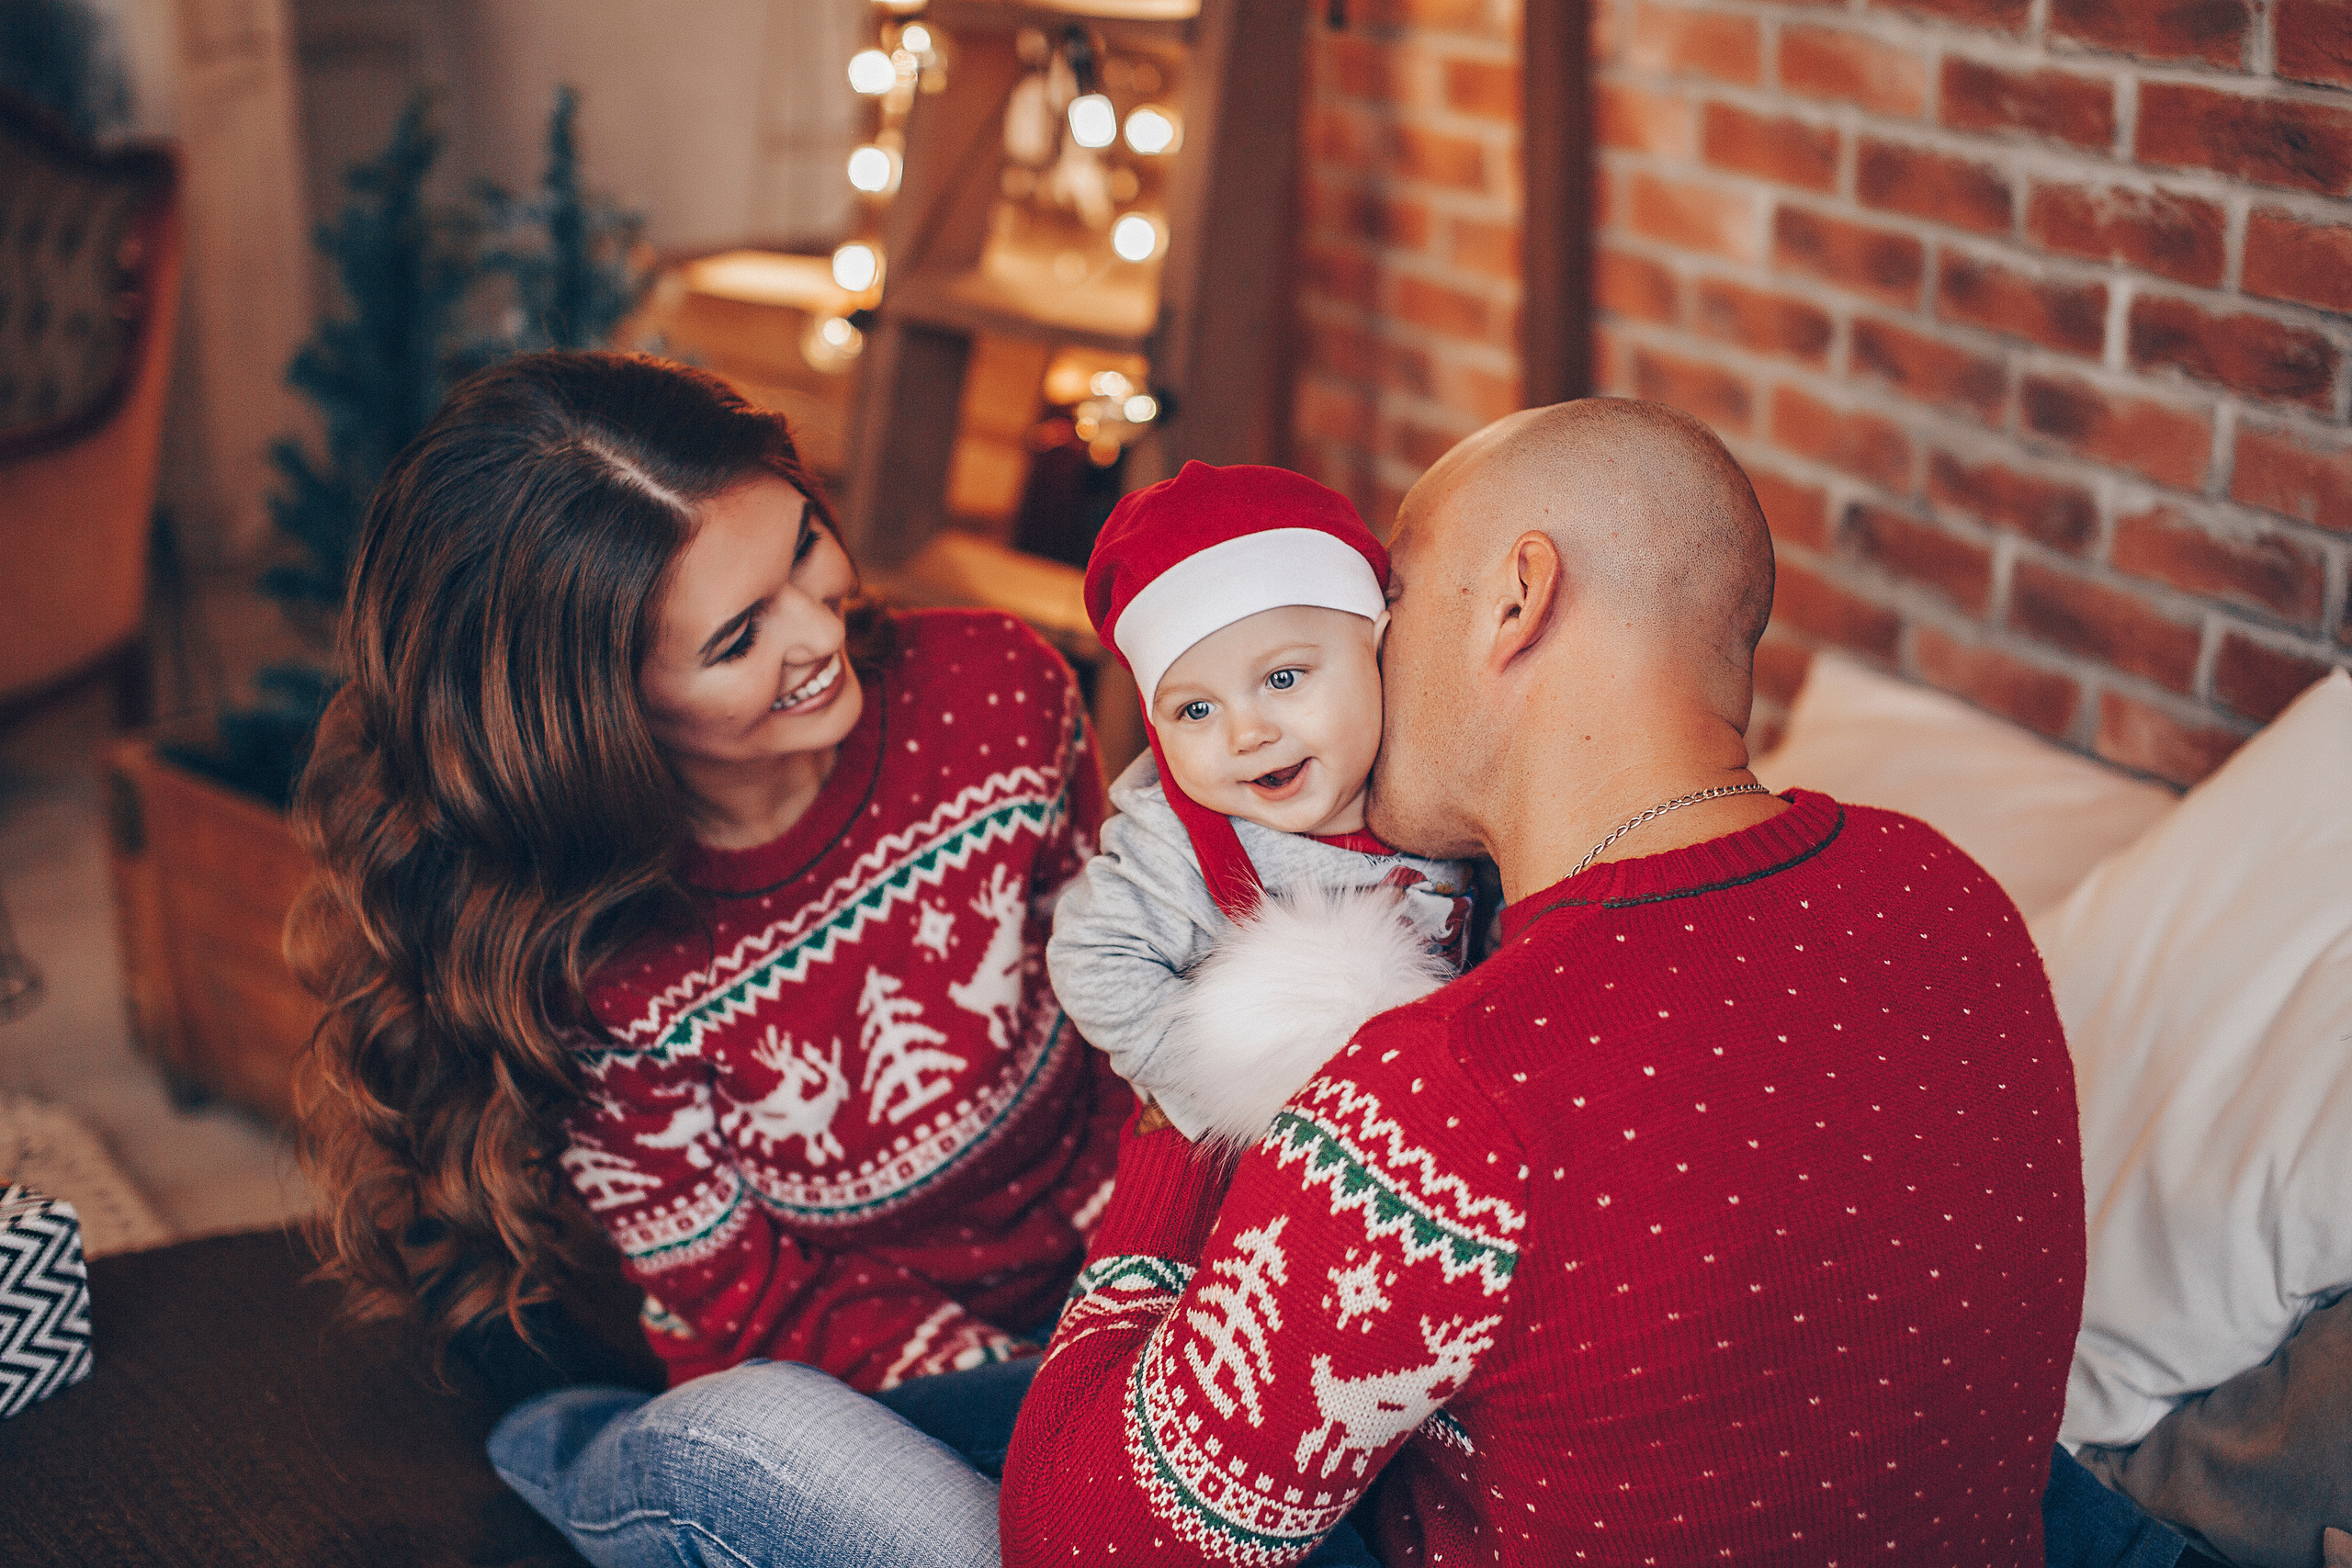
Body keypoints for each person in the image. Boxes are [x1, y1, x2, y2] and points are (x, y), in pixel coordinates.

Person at [998, 398, 2088, 1565]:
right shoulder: (1948, 892)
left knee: (769, 1434)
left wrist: (1200, 1070)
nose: (1370, 648)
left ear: (1517, 601)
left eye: (1394, 598)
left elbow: (1072, 1542)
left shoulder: (1447, 1097)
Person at [288, 352, 1128, 1567]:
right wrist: (1042, 1392)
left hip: (1103, 1309)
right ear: (598, 708)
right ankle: (578, 1449)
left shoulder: (1004, 692)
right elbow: (753, 1297)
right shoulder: (584, 948)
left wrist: (1137, 1300)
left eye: (800, 546)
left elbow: (1125, 1032)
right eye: (737, 634)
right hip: (841, 1384)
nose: (815, 626)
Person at [1049, 461, 1474, 1151]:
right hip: (1242, 1160)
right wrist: (1219, 1085)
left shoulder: (1433, 782)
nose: (1247, 734)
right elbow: (1091, 961)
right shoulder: (1182, 842)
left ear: (1378, 647)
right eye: (1195, 708)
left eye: (1283, 678)